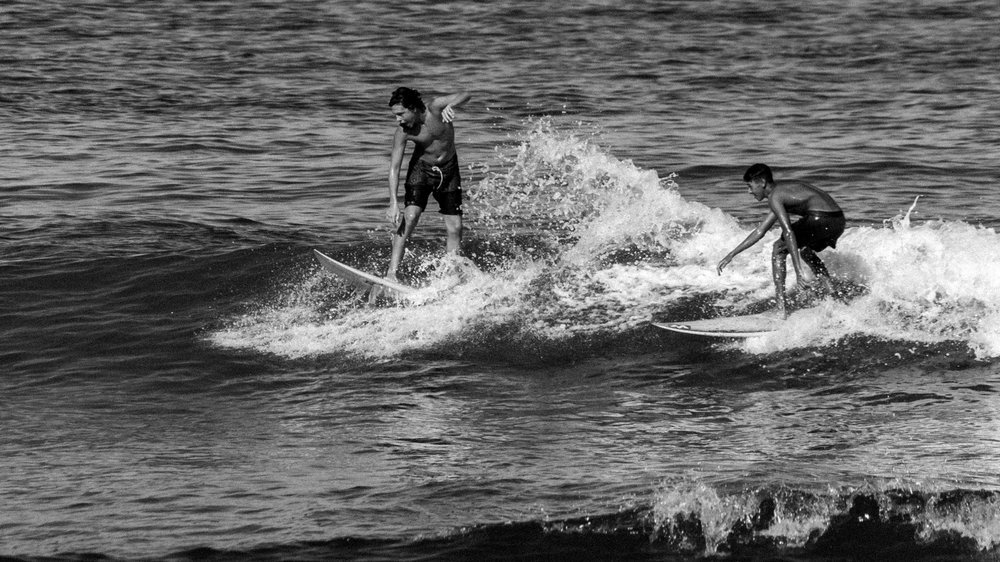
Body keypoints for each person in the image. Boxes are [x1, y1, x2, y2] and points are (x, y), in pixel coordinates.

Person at [717, 163, 845, 317]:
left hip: (820, 218)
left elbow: (789, 232)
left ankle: (780, 308)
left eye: (750, 186)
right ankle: (834, 294)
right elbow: (760, 231)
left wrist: (798, 272)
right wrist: (732, 254)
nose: (749, 191)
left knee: (779, 248)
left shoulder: (775, 197)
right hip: (837, 221)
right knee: (806, 251)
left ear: (762, 182)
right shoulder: (782, 194)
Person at [384, 86, 472, 282]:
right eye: (395, 116)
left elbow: (466, 93)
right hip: (421, 171)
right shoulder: (403, 132)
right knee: (411, 215)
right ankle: (391, 274)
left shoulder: (435, 108)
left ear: (413, 108)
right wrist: (393, 203)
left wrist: (452, 104)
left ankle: (451, 275)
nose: (398, 120)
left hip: (449, 170)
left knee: (455, 227)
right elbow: (394, 167)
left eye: (400, 114)